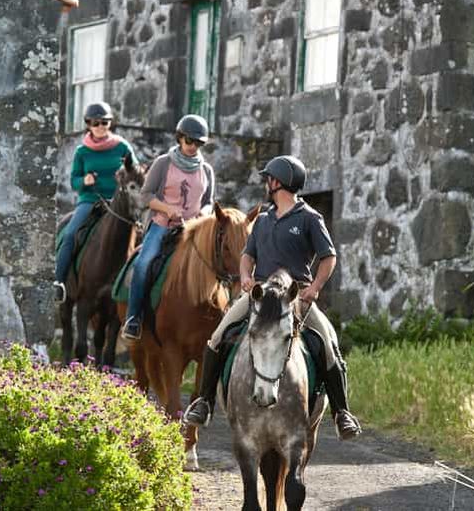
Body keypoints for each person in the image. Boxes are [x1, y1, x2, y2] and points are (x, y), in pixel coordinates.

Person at [183, 155, 362, 440]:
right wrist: (245, 276)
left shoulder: (310, 218)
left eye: (269, 178)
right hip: (261, 293)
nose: (267, 182)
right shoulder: (264, 220)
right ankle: (204, 402)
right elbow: (247, 256)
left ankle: (342, 413)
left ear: (278, 182)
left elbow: (329, 257)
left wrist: (314, 288)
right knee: (218, 337)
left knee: (328, 344)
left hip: (296, 293)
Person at [121, 114, 216, 341]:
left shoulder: (207, 170)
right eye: (190, 141)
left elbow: (209, 201)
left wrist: (204, 214)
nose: (194, 147)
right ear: (180, 138)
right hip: (163, 225)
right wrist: (166, 208)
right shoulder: (163, 163)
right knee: (144, 262)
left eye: (199, 143)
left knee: (216, 263)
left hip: (193, 228)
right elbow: (146, 196)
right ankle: (133, 318)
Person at [54, 102, 138, 304]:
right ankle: (59, 282)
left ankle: (136, 288)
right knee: (71, 233)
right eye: (95, 122)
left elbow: (136, 173)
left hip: (118, 203)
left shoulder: (122, 147)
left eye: (104, 122)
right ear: (88, 124)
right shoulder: (82, 152)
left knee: (142, 234)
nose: (100, 126)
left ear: (110, 123)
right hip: (90, 201)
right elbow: (74, 181)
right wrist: (84, 181)